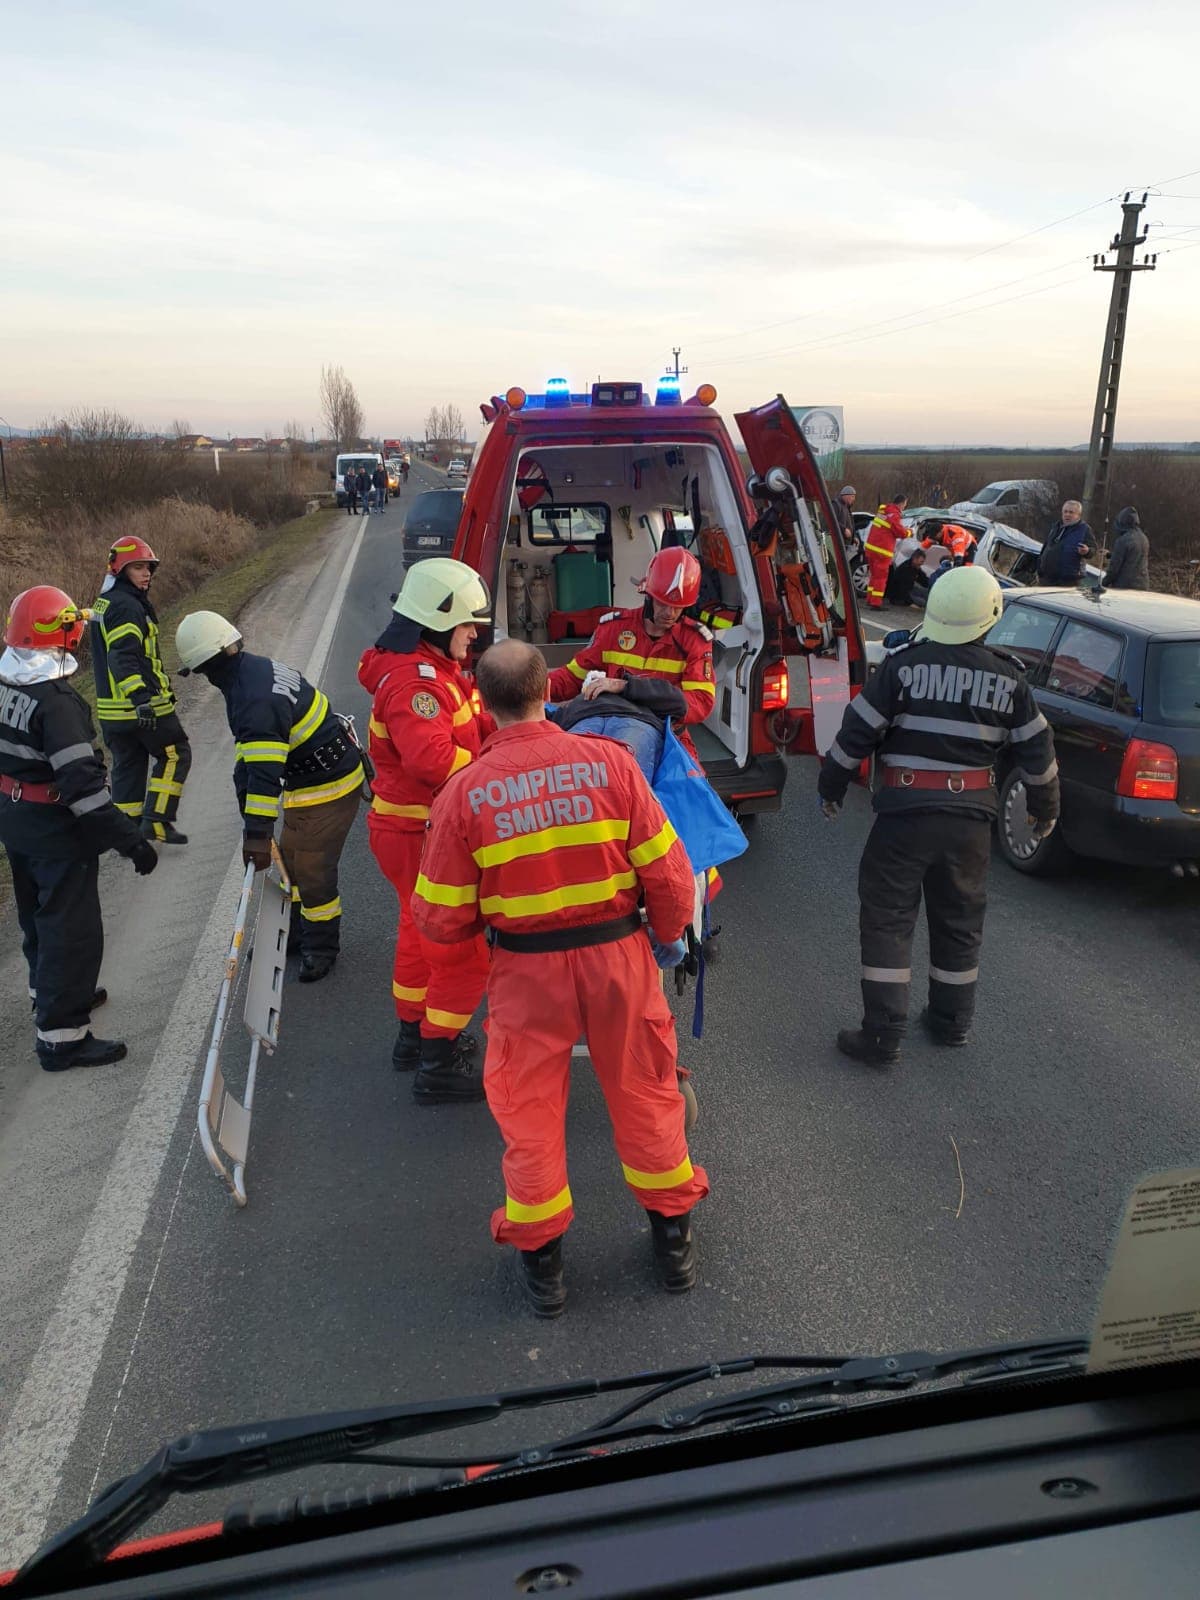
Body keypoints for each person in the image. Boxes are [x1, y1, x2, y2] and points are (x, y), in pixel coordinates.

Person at [413, 639, 708, 1316]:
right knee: (646, 1093)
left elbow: (439, 919)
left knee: (530, 1111)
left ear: (482, 704)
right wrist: (665, 943)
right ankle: (674, 1247)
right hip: (617, 959)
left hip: (525, 971)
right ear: (550, 689)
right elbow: (667, 877)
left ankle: (544, 1269)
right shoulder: (612, 764)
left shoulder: (464, 794)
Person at [817, 567, 1059, 1065]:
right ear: (990, 616)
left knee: (888, 918)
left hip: (904, 818)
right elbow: (1039, 755)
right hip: (970, 824)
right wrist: (1043, 812)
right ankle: (951, 1024)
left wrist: (831, 788)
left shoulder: (903, 666)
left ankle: (883, 1036)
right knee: (959, 920)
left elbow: (855, 734)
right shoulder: (1010, 679)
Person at [0, 586, 158, 1071]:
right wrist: (133, 842)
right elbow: (83, 791)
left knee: (37, 916)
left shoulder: (7, 681)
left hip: (16, 821)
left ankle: (45, 995)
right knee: (71, 929)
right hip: (54, 831)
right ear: (58, 635)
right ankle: (62, 1037)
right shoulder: (57, 703)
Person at [357, 559, 492, 1101]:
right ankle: (439, 1059)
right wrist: (499, 774)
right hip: (418, 830)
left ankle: (412, 1035)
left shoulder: (434, 671)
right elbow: (433, 760)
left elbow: (472, 727)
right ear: (437, 621)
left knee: (416, 931)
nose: (474, 632)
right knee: (459, 946)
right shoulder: (417, 683)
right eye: (466, 623)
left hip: (409, 828)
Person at [174, 611, 363, 982]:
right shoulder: (250, 674)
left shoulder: (253, 696)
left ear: (206, 665)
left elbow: (265, 773)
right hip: (311, 779)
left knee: (310, 870)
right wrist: (241, 784)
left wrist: (257, 835)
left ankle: (321, 947)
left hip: (328, 785)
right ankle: (295, 934)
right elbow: (253, 753)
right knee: (290, 864)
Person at [547, 548, 714, 774]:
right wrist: (532, 686)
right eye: (663, 603)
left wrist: (630, 688)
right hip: (597, 714)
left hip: (657, 726)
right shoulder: (614, 628)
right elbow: (573, 676)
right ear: (648, 596)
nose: (670, 613)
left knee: (672, 782)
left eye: (678, 607)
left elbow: (700, 702)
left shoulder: (694, 641)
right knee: (567, 766)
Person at [90, 537, 191, 846]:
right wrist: (141, 699)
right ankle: (157, 821)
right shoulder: (126, 606)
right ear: (121, 571)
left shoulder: (104, 601)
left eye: (148, 567)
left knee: (129, 766)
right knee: (176, 754)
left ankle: (128, 834)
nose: (146, 573)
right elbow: (122, 655)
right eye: (137, 568)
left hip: (111, 712)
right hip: (142, 706)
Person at [863, 495, 908, 610]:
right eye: (905, 504)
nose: (904, 507)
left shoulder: (883, 510)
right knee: (881, 577)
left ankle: (870, 599)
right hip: (882, 550)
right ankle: (876, 603)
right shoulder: (894, 514)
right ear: (902, 503)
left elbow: (886, 526)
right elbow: (900, 532)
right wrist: (909, 532)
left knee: (874, 575)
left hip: (872, 547)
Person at [1037, 500, 1093, 585]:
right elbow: (1046, 547)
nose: (1067, 514)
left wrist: (1087, 551)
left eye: (1071, 512)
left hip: (1068, 580)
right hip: (1047, 578)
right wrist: (1039, 567)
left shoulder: (1084, 529)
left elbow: (1093, 550)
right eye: (1065, 512)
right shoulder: (1056, 526)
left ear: (1078, 515)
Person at [1103, 506, 1150, 591]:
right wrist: (1110, 555)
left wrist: (1103, 583)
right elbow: (1132, 557)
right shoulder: (1143, 537)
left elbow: (1114, 569)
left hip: (1124, 586)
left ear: (1121, 521)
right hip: (1142, 586)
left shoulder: (1122, 540)